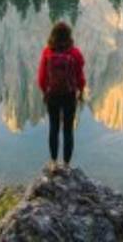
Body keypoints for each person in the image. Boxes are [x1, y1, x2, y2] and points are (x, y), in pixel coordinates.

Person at [37, 20, 86, 166]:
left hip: (52, 95)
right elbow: (80, 76)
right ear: (69, 36)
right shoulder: (75, 53)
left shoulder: (47, 52)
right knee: (68, 130)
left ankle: (53, 162)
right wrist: (81, 90)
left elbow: (41, 77)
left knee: (54, 127)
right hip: (69, 96)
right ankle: (66, 164)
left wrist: (45, 91)